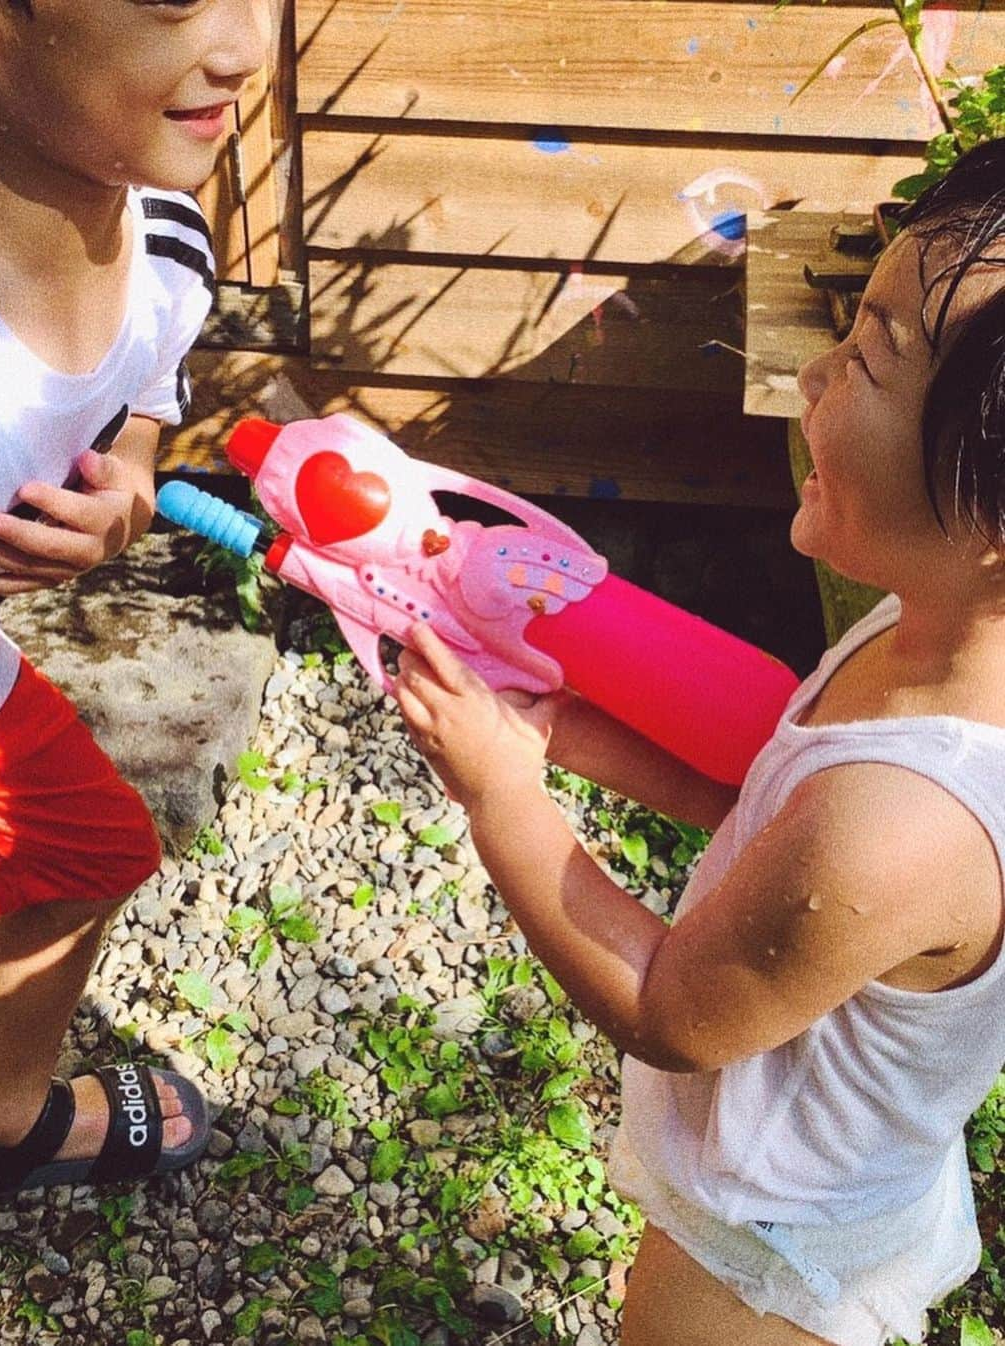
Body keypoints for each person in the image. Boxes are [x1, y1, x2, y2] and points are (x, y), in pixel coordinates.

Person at [394, 138, 1005, 1346]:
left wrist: (503, 796)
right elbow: (762, 791)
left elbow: (675, 1007)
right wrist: (567, 731)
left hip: (772, 1250)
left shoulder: (902, 824)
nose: (819, 369)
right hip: (829, 1158)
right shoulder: (929, 626)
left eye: (870, 357)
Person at [0, 0, 269, 1199]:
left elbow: (135, 437)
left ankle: (6, 1123)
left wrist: (121, 501)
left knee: (80, 846)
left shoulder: (167, 239)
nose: (239, 48)